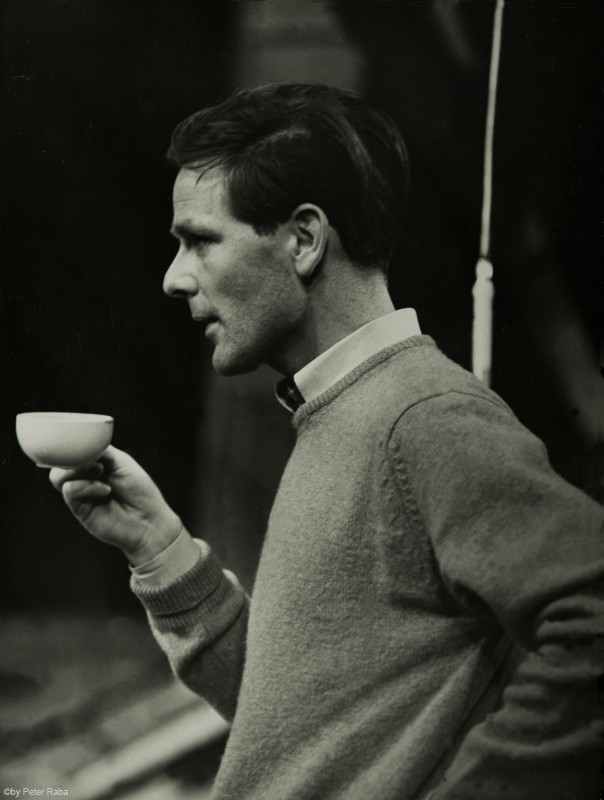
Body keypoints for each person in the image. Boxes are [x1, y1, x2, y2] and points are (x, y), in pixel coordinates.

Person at [50, 84, 604, 799]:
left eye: (200, 241)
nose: (173, 278)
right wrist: (161, 551)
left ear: (304, 241)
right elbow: (297, 732)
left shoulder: (425, 417)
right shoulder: (343, 411)